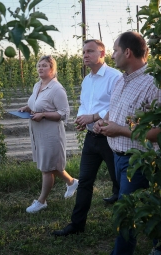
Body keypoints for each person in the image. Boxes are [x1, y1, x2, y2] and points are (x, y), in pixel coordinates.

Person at [93, 31, 161, 255]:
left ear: (127, 52)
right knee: (143, 208)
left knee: (125, 215)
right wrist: (103, 123)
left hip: (138, 161)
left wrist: (120, 130)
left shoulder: (155, 84)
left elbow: (160, 131)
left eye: (114, 50)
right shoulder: (120, 80)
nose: (112, 55)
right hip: (118, 157)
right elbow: (116, 114)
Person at [51, 39, 122, 236]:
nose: (85, 55)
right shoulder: (87, 80)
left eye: (90, 51)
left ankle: (127, 224)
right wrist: (84, 119)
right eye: (83, 52)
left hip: (110, 137)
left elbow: (116, 106)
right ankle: (77, 224)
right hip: (92, 138)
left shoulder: (114, 77)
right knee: (85, 182)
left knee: (120, 180)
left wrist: (94, 116)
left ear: (102, 53)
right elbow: (85, 104)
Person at [18, 55, 78, 214]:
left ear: (52, 69)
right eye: (39, 66)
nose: (40, 68)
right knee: (51, 164)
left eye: (44, 65)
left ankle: (41, 201)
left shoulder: (57, 89)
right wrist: (27, 108)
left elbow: (64, 114)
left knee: (47, 168)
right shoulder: (38, 85)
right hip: (38, 132)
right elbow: (37, 104)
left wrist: (43, 115)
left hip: (51, 133)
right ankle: (72, 183)